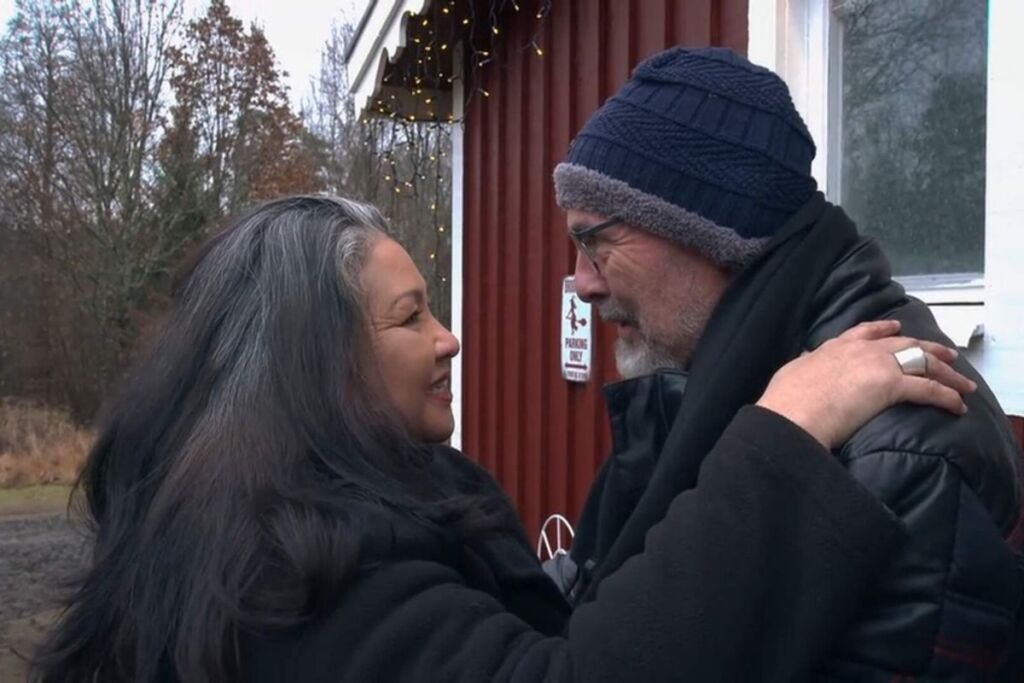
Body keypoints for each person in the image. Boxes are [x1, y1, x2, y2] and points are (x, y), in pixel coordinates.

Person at [32, 196, 974, 683]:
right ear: (315, 363)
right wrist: (785, 427)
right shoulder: (290, 577)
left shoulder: (250, 517)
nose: (448, 339)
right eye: (410, 317)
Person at [553, 46, 1024, 679]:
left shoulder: (901, 452)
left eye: (595, 240)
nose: (582, 282)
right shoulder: (720, 380)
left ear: (712, 229)